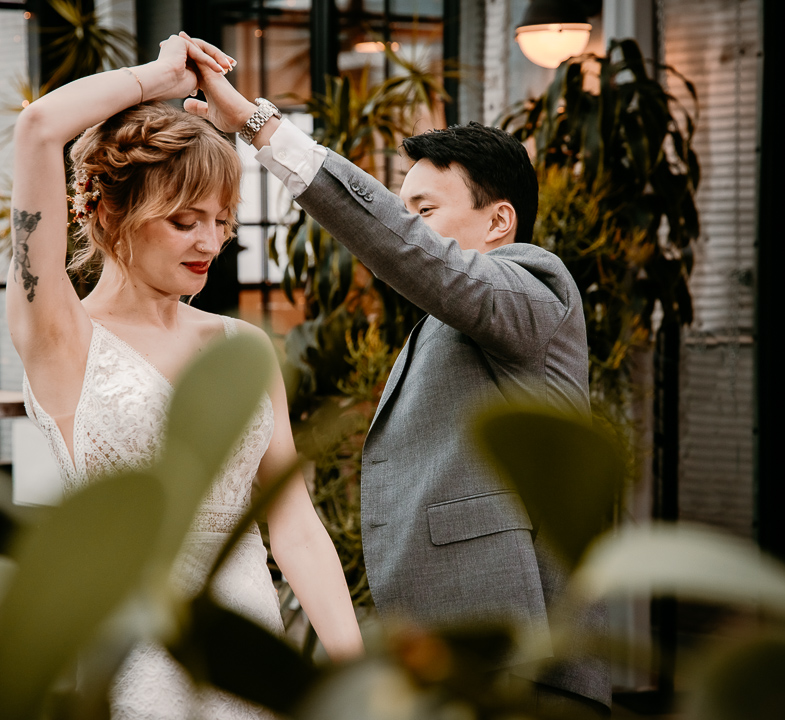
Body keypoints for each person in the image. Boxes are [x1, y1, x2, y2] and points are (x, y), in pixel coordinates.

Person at [182, 33, 611, 718]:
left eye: (423, 211)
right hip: (462, 659)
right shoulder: (456, 321)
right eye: (403, 209)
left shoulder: (536, 285)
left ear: (500, 221)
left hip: (524, 661)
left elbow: (411, 253)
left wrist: (260, 126)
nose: (406, 228)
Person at [6, 35, 363, 719]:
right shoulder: (58, 335)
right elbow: (39, 126)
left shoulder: (242, 347)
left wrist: (359, 676)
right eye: (183, 221)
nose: (211, 242)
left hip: (249, 648)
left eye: (221, 221)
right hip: (132, 655)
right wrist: (159, 77)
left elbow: (294, 525)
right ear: (109, 211)